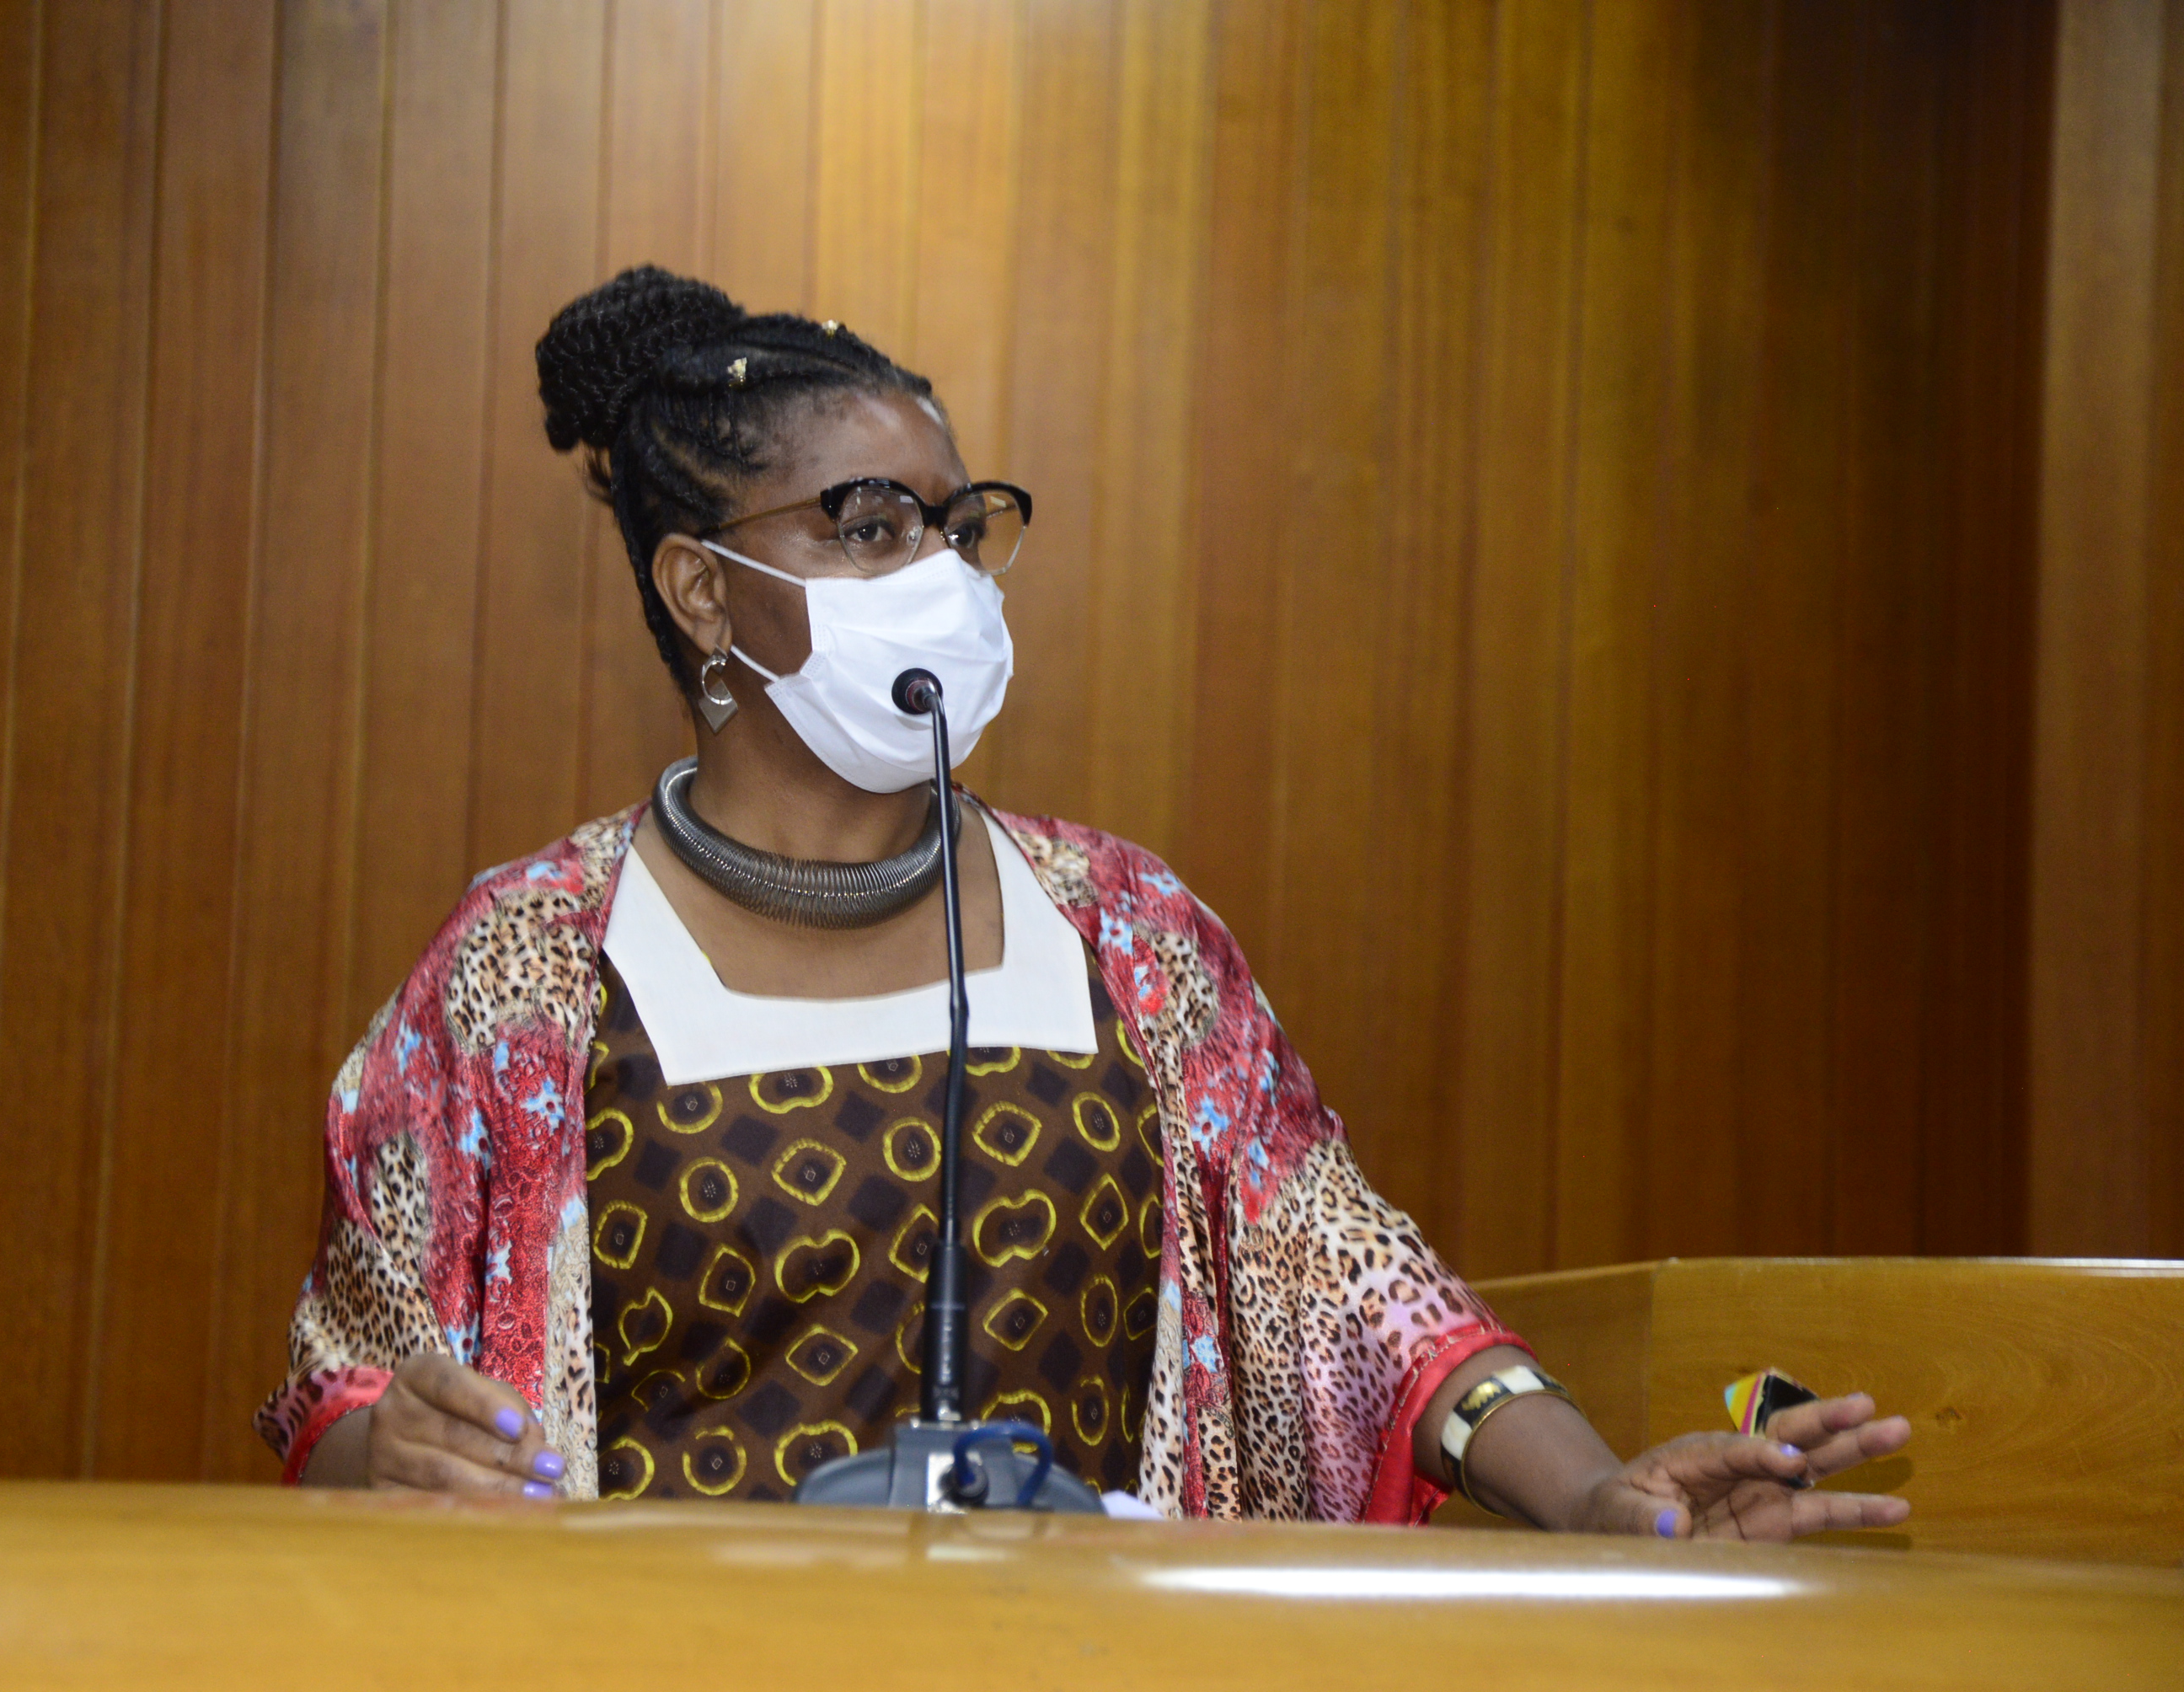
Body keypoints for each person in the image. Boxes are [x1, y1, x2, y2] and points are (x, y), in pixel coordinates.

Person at [256, 265, 1911, 1537]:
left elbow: (1353, 1286)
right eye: (870, 528)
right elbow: (346, 1388)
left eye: (958, 527)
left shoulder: (1122, 928)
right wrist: (386, 1445)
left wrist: (1597, 1494)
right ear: (702, 588)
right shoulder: (528, 963)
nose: (942, 575)